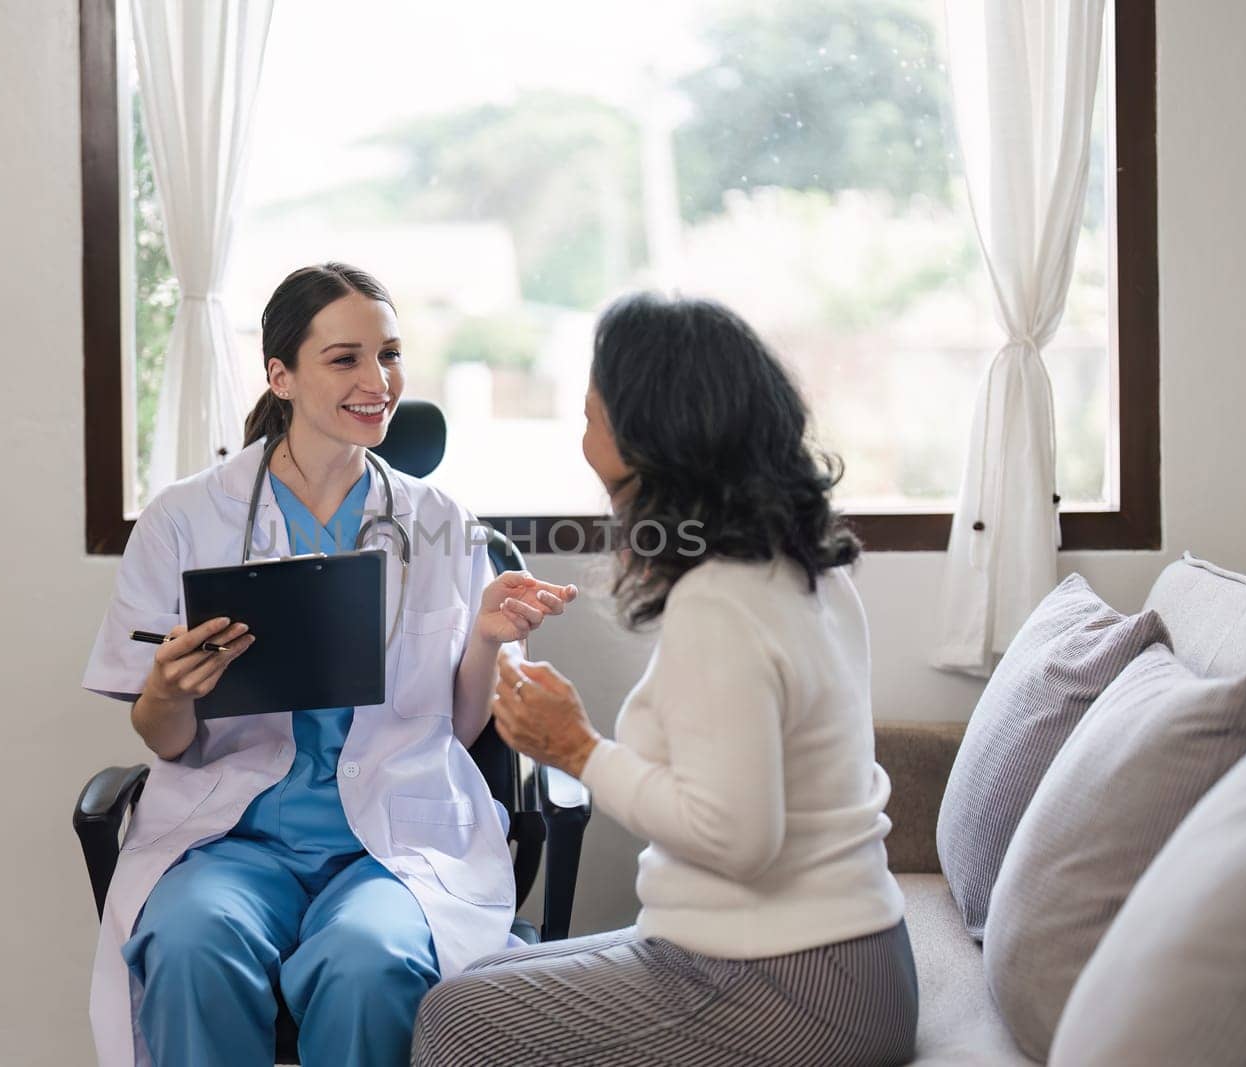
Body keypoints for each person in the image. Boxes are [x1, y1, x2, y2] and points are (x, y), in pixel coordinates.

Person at [82, 262, 578, 1067]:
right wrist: (169, 689)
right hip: (230, 838)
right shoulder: (184, 518)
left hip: (393, 838)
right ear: (281, 375)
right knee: (191, 944)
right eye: (345, 358)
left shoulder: (441, 522)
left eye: (389, 354)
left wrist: (485, 636)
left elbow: (456, 727)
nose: (377, 380)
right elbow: (163, 738)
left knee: (369, 962)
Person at [412, 293, 919, 1067]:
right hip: (836, 958)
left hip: (793, 981)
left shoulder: (723, 600)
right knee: (478, 979)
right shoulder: (800, 563)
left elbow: (741, 840)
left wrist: (576, 748)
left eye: (597, 402)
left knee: (457, 1022)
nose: (584, 416)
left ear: (656, 431)